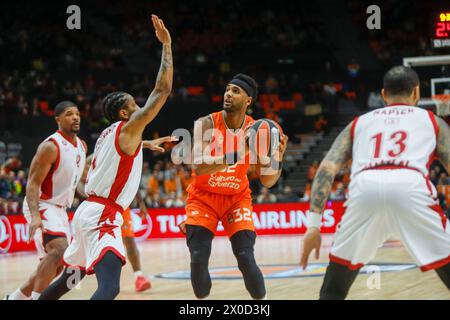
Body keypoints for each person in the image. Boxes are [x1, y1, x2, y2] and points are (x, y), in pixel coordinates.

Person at [38, 14, 173, 300]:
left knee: (69, 280)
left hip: (87, 212)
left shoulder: (108, 135)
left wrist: (146, 144)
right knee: (109, 288)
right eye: (135, 105)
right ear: (125, 114)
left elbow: (119, 156)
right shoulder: (128, 128)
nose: (140, 108)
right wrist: (167, 45)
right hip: (103, 215)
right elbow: (162, 91)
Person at [300, 66, 450, 299]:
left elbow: (326, 168)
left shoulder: (359, 123)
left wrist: (313, 225)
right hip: (409, 184)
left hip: (364, 188)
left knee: (333, 289)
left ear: (383, 94)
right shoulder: (432, 120)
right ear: (416, 92)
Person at [183, 73, 288, 299]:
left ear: (248, 100)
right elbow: (199, 167)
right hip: (203, 198)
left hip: (236, 198)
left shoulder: (257, 129)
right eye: (227, 89)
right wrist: (241, 152)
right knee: (198, 260)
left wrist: (278, 156)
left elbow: (268, 181)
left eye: (235, 91)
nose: (228, 94)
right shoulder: (206, 123)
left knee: (245, 257)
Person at [5, 101, 87, 300]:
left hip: (60, 209)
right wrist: (35, 216)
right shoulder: (50, 146)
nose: (75, 117)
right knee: (59, 251)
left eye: (77, 113)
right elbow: (32, 184)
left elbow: (74, 183)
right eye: (69, 114)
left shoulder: (82, 146)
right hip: (43, 203)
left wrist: (88, 198)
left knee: (57, 265)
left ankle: (13, 299)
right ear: (58, 119)